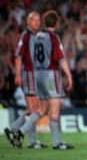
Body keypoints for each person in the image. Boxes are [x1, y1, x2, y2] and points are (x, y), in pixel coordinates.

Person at [12, 10, 74, 150]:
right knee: (55, 110)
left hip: (37, 74)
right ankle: (57, 142)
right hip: (51, 74)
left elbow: (28, 56)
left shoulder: (35, 36)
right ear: (56, 23)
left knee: (42, 109)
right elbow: (61, 59)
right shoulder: (53, 38)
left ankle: (21, 131)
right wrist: (69, 75)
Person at [4, 11, 47, 149]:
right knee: (38, 108)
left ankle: (13, 129)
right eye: (34, 20)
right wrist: (17, 74)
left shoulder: (34, 36)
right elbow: (18, 57)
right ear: (29, 22)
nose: (37, 22)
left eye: (39, 20)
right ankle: (26, 137)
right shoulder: (26, 36)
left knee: (32, 109)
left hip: (33, 74)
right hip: (29, 74)